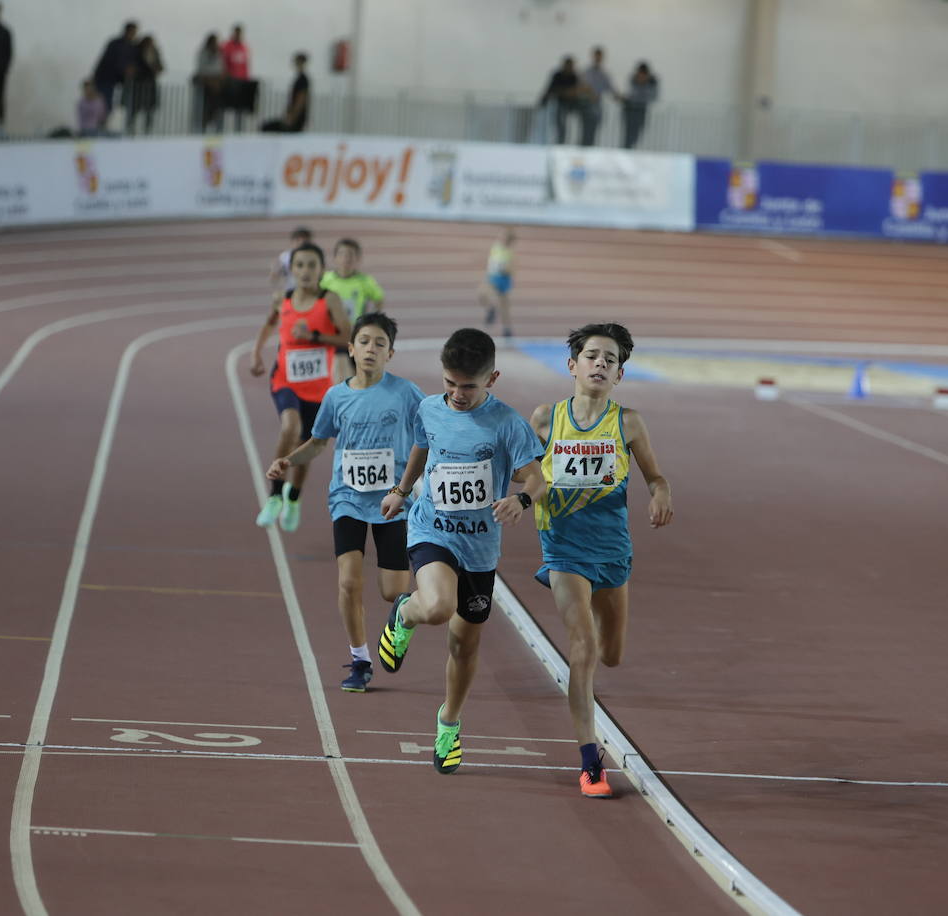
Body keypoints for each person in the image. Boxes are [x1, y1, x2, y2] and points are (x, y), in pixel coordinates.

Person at [376, 328, 547, 774]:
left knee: (464, 645)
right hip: (431, 528)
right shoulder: (429, 408)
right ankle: (405, 614)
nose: (456, 394)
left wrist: (520, 500)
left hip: (480, 547)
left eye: (468, 386)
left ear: (492, 378)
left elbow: (538, 479)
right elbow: (420, 446)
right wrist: (402, 488)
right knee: (436, 606)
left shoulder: (508, 423)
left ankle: (448, 723)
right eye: (450, 382)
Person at [527, 323, 672, 797]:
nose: (600, 364)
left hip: (611, 552)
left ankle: (589, 614)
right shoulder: (546, 419)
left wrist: (660, 494)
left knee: (611, 655)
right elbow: (525, 474)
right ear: (572, 365)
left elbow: (654, 476)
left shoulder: (627, 422)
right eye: (592, 356)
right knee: (584, 650)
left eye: (610, 359)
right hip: (564, 549)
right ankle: (590, 762)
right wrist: (521, 498)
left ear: (620, 374)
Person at [266, 312, 425, 692]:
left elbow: (431, 429)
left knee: (393, 590)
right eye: (365, 342)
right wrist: (289, 460)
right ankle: (360, 660)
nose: (371, 349)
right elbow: (319, 442)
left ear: (390, 353)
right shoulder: (336, 395)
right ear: (351, 349)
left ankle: (401, 621)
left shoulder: (405, 393)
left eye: (380, 344)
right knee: (348, 583)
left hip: (391, 501)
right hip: (348, 499)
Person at [250, 242, 351, 533]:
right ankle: (273, 497)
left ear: (322, 270)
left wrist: (314, 335)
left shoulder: (329, 300)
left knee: (308, 444)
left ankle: (293, 498)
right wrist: (257, 352)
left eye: (312, 265)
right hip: (285, 380)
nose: (305, 271)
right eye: (300, 265)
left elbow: (347, 337)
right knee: (290, 429)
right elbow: (270, 324)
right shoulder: (282, 299)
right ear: (292, 270)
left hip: (318, 388)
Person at [322, 238, 385, 382]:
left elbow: (379, 298)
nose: (346, 259)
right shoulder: (326, 280)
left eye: (350, 255)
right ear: (335, 258)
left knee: (359, 377)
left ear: (357, 259)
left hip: (356, 334)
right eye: (342, 254)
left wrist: (373, 320)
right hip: (333, 335)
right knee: (338, 371)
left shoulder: (364, 281)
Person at [92, 21, 138, 128]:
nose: (134, 34)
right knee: (105, 104)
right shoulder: (116, 44)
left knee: (115, 105)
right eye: (133, 32)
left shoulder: (131, 46)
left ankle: (103, 125)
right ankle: (100, 126)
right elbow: (110, 61)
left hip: (117, 80)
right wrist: (125, 69)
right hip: (105, 78)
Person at [477, 227, 515, 339]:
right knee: (482, 294)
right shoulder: (496, 247)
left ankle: (507, 330)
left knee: (504, 306)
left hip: (504, 279)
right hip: (493, 277)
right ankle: (491, 309)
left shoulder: (510, 252)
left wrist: (506, 269)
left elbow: (511, 269)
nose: (502, 238)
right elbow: (491, 262)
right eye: (501, 236)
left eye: (505, 237)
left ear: (509, 240)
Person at [260, 52, 310, 133]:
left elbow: (301, 100)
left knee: (266, 127)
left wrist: (292, 117)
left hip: (296, 119)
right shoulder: (299, 78)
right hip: (295, 117)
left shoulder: (303, 79)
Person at [539, 55, 583, 145]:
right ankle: (560, 142)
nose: (570, 67)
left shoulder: (574, 77)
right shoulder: (558, 75)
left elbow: (576, 91)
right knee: (559, 123)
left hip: (571, 103)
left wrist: (568, 93)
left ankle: (567, 142)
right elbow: (551, 89)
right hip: (559, 103)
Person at [579, 46, 618, 146]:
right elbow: (581, 86)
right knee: (585, 131)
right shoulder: (586, 72)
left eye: (599, 56)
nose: (598, 58)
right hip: (585, 105)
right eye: (596, 56)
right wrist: (589, 93)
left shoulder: (604, 74)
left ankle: (588, 148)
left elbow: (611, 89)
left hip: (596, 106)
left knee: (593, 131)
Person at [269, 225, 313, 310]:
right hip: (291, 293)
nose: (301, 243)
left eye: (304, 241)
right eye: (298, 240)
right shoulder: (285, 257)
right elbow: (274, 278)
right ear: (292, 242)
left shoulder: (314, 256)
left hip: (310, 294)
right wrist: (274, 271)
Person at [127, 34, 163, 134]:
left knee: (150, 107)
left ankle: (148, 128)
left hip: (150, 83)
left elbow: (160, 65)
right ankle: (130, 126)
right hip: (139, 83)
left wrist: (157, 68)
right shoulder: (137, 52)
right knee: (136, 106)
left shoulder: (154, 52)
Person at [621, 61, 658, 149]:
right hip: (630, 110)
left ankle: (630, 148)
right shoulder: (633, 79)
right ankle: (626, 149)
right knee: (628, 134)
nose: (641, 76)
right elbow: (631, 94)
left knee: (637, 134)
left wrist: (644, 84)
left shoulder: (652, 82)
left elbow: (652, 97)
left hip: (641, 110)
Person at [221, 24, 250, 130]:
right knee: (223, 107)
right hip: (229, 82)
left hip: (241, 82)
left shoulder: (244, 47)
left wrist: (246, 79)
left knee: (240, 109)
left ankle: (239, 130)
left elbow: (246, 65)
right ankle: (221, 130)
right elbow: (223, 63)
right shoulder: (227, 46)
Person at [192, 32, 223, 132]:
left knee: (215, 111)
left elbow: (220, 69)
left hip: (216, 88)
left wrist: (217, 81)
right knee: (203, 111)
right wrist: (210, 81)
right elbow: (202, 70)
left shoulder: (219, 53)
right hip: (205, 87)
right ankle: (202, 129)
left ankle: (216, 129)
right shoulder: (203, 53)